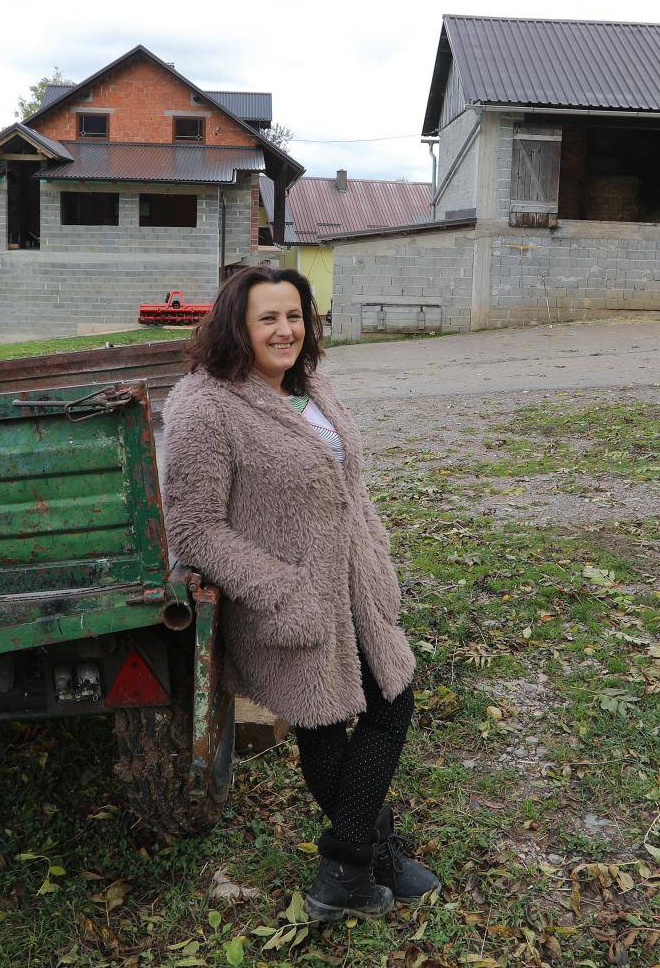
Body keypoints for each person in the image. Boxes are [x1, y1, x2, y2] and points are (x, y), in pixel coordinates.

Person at [161, 266, 439, 920]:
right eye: (269, 318)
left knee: (389, 702)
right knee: (323, 721)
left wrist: (376, 547)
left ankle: (362, 855)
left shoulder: (309, 383)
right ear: (237, 325)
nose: (286, 330)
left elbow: (349, 481)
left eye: (296, 315)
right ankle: (352, 867)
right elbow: (196, 530)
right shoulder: (205, 406)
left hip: (353, 589)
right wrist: (281, 590)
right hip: (287, 600)